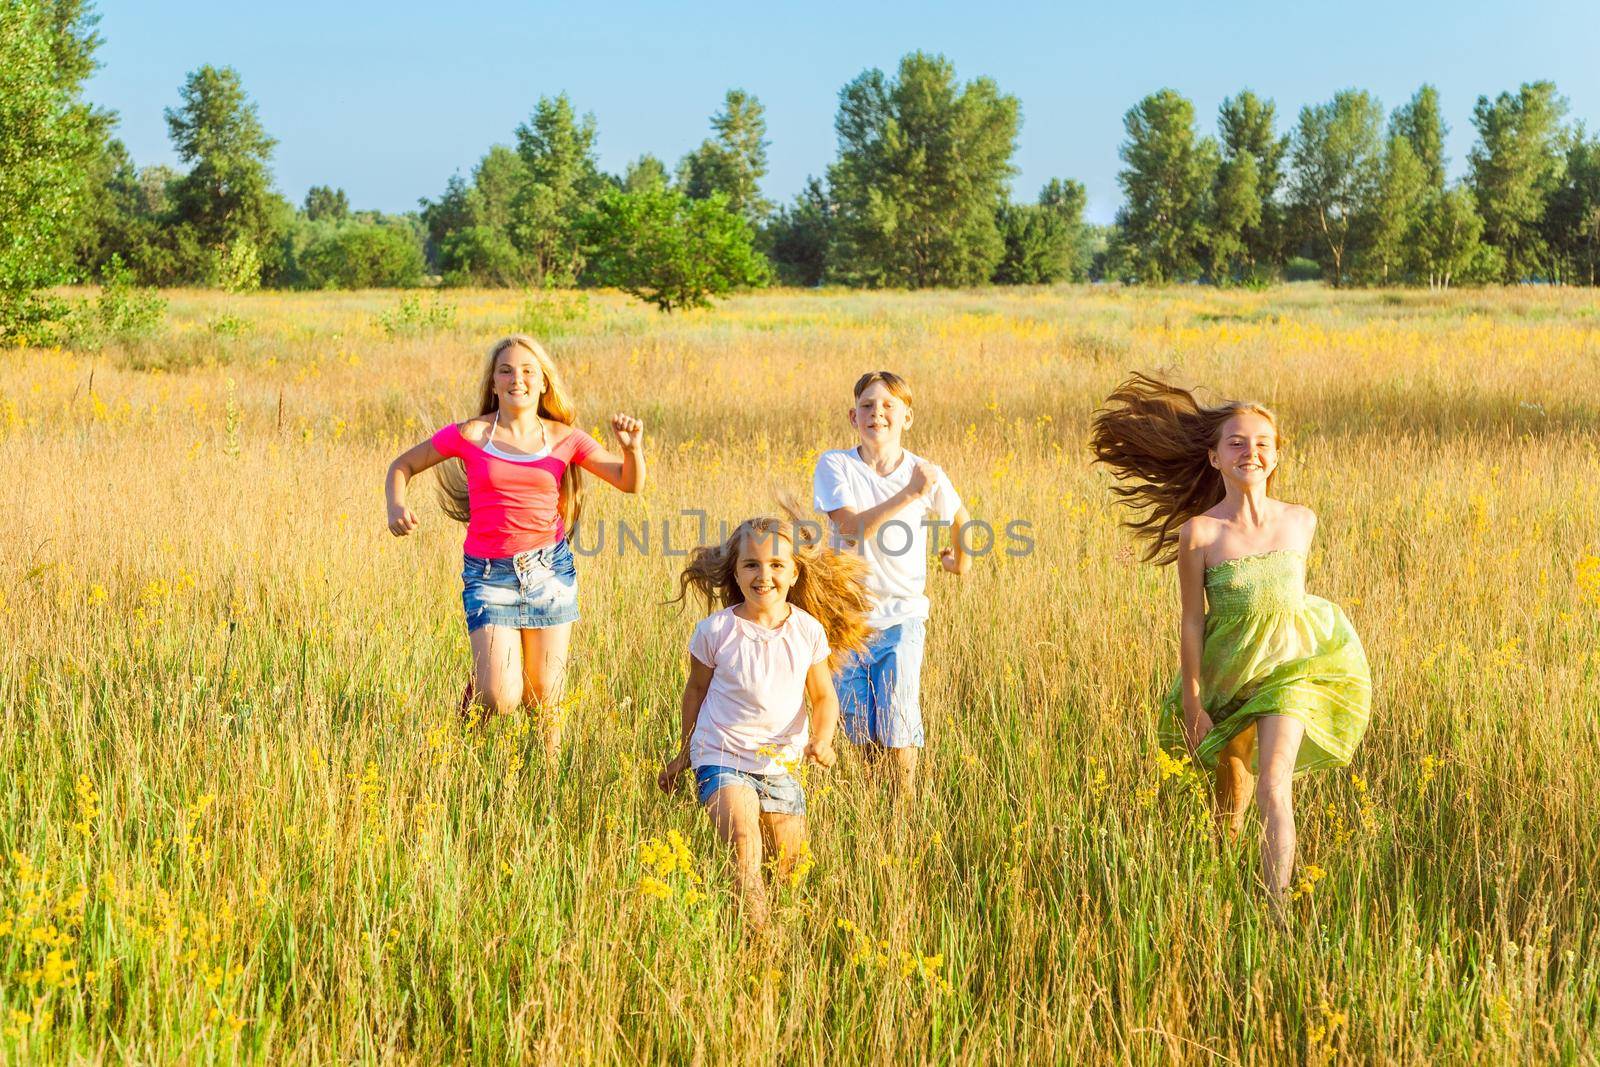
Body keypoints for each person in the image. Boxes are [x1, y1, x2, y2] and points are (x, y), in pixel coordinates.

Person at [1090, 373, 1371, 910]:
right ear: (1215, 458)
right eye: (1237, 442)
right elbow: (1192, 621)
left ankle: (1277, 911)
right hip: (1229, 671)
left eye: (1263, 443)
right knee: (1230, 808)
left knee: (1273, 786)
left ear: (1277, 457)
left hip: (1292, 671)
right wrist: (1194, 704)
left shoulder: (1301, 521)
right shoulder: (1200, 533)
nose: (1251, 451)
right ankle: (1222, 886)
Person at [384, 334, 645, 757]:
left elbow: (629, 483)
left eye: (527, 371)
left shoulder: (565, 438)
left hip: (549, 572)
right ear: (493, 382)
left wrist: (632, 451)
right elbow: (403, 465)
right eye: (506, 370)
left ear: (544, 383)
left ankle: (548, 782)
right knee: (499, 697)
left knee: (545, 696)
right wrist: (396, 505)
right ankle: (464, 739)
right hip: (489, 575)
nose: (516, 378)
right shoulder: (470, 434)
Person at [658, 517, 871, 929]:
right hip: (721, 756)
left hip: (780, 765)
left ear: (794, 572)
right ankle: (762, 949)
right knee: (743, 846)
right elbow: (695, 693)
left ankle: (783, 945)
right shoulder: (715, 631)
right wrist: (685, 753)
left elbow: (824, 696)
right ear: (735, 573)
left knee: (791, 873)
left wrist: (823, 740)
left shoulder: (807, 631)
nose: (764, 575)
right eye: (752, 564)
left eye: (776, 564)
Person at [812, 371, 970, 796]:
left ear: (907, 417)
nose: (876, 414)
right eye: (867, 406)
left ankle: (903, 813)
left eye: (888, 406)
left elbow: (960, 517)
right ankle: (874, 808)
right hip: (848, 622)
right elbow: (849, 529)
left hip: (901, 615)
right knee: (861, 728)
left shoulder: (922, 471)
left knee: (898, 724)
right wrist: (910, 494)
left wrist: (961, 561)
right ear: (852, 416)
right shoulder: (835, 465)